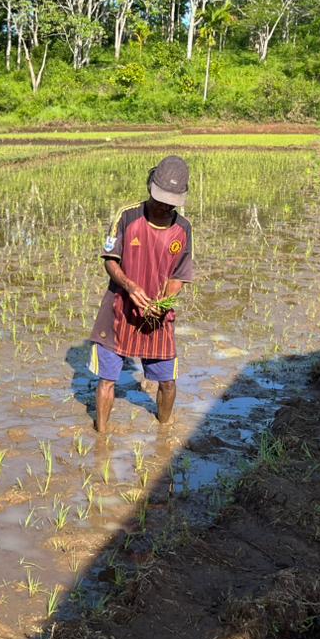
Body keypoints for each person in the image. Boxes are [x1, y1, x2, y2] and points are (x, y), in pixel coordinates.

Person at [89, 155, 195, 433]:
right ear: (150, 187)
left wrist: (164, 303)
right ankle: (101, 436)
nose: (164, 205)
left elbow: (178, 275)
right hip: (119, 310)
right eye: (160, 199)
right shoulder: (127, 216)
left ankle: (164, 431)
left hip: (157, 316)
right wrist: (130, 286)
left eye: (170, 202)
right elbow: (110, 260)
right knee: (107, 380)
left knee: (168, 382)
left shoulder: (183, 229)